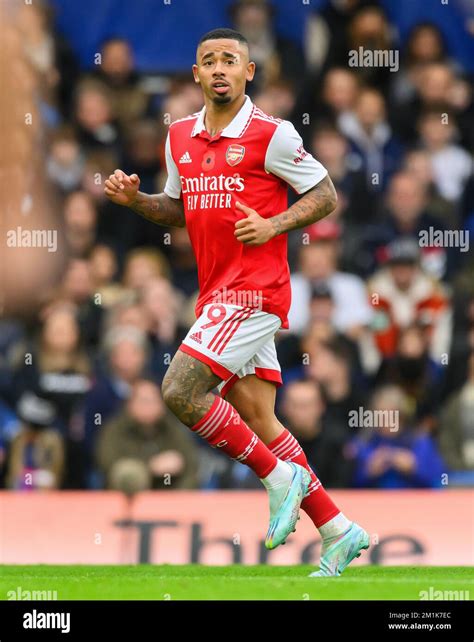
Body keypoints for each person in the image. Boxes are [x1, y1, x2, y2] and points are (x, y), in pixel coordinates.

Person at [104, 27, 369, 577]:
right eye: (208, 61)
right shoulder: (178, 135)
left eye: (231, 60)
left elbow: (325, 194)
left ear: (249, 72)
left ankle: (278, 478)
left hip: (254, 294)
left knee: (179, 390)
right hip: (214, 296)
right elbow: (179, 210)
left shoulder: (271, 134)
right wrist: (135, 201)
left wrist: (274, 221)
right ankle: (339, 530)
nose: (219, 68)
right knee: (257, 415)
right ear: (196, 74)